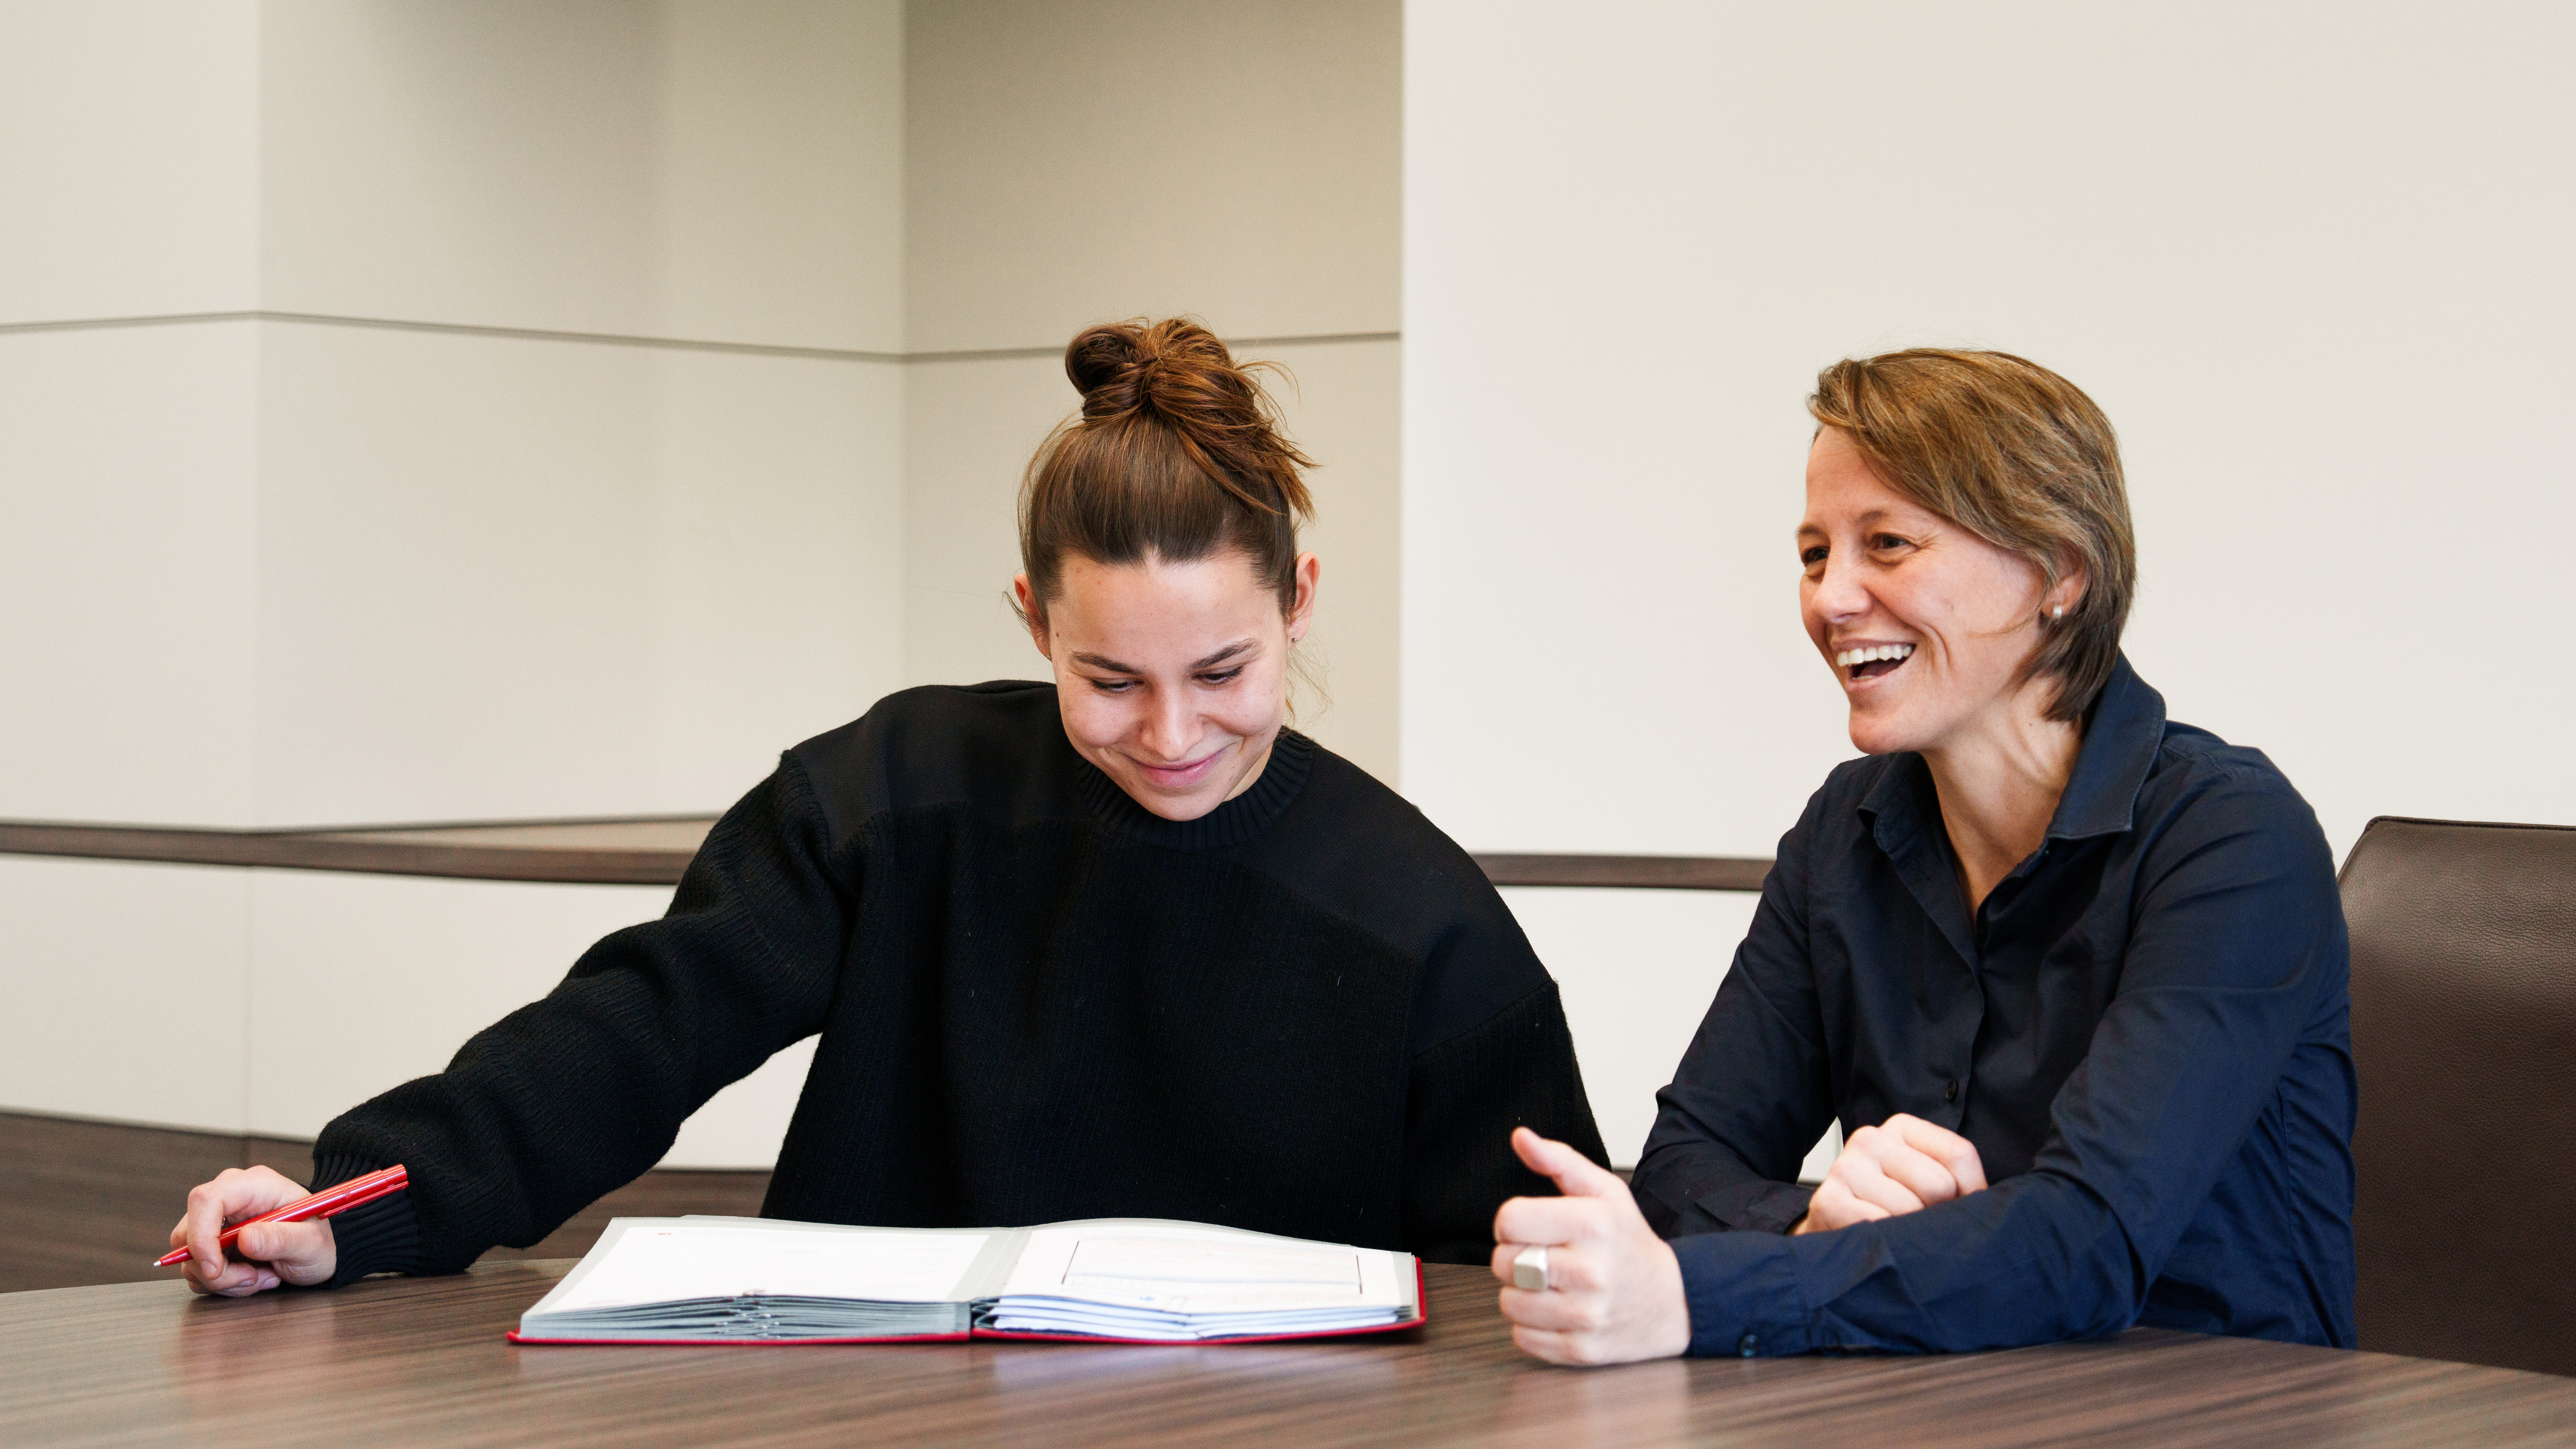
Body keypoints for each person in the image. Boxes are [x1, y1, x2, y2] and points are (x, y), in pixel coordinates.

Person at [172, 317, 1607, 1296]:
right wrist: (346, 1211)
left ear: (1298, 600)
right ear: (1032, 616)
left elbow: (1531, 1279)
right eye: (1108, 678)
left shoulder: (1428, 925)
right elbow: (635, 1032)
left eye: (1223, 670)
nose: (1172, 736)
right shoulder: (895, 796)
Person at [1488, 349, 2354, 1364]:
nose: (1831, 599)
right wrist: (1825, 1216)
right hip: (1935, 1400)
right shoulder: (1844, 830)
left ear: (2058, 571)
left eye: (1887, 544)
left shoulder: (2232, 838)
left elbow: (2088, 1237)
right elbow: (1686, 1165)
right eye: (1813, 555)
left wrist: (1692, 1295)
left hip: (2211, 1408)